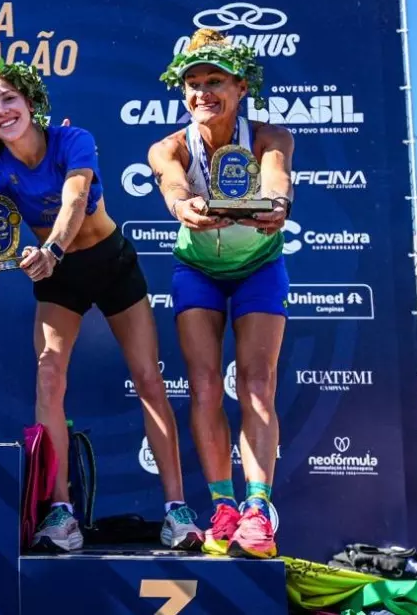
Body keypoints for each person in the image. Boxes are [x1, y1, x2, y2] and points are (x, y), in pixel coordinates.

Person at [0, 61, 202, 553]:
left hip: (110, 262)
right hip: (60, 278)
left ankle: (177, 511)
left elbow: (74, 200)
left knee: (149, 380)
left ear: (30, 102)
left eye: (8, 99)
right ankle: (61, 512)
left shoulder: (73, 140)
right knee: (49, 377)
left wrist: (50, 250)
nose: (2, 111)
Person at [147, 28, 293, 559]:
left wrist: (277, 204)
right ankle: (223, 507)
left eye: (214, 81)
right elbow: (172, 183)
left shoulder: (268, 137)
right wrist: (183, 207)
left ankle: (258, 511)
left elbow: (277, 178)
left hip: (259, 268)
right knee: (206, 385)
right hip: (197, 270)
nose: (202, 92)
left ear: (239, 87)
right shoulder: (169, 145)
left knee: (256, 384)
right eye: (192, 82)